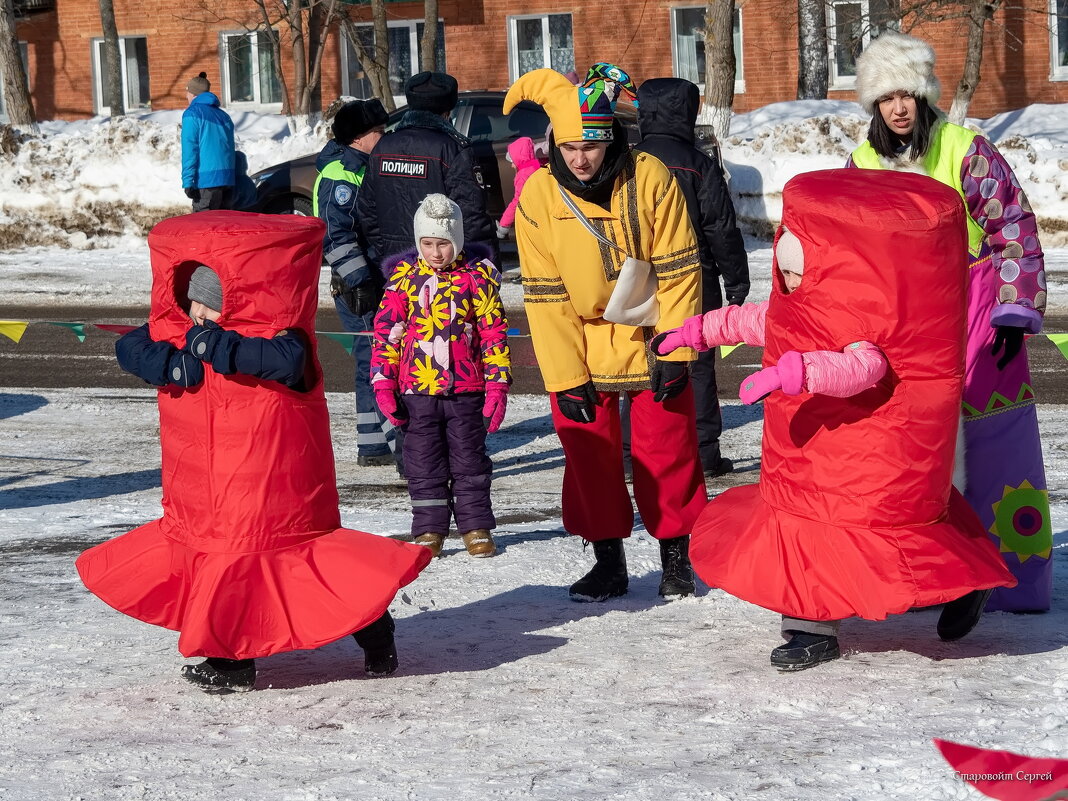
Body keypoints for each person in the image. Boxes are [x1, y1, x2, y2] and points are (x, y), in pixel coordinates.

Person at [654, 169, 1017, 670]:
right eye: (788, 273)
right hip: (803, 453)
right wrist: (693, 333)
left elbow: (861, 367)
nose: (792, 283)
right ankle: (808, 627)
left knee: (883, 528)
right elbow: (750, 319)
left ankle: (958, 588)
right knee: (802, 532)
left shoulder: (859, 316)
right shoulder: (797, 302)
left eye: (801, 272)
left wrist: (794, 372)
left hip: (863, 448)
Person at [75, 212, 431, 693]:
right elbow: (133, 347)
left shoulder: (285, 340)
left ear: (236, 301)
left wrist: (216, 344)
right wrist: (170, 363)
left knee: (261, 559)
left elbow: (281, 361)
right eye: (193, 306)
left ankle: (353, 635)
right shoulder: (185, 333)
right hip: (203, 485)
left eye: (210, 307)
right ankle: (238, 657)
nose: (199, 316)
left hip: (266, 480)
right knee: (223, 558)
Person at [851, 32, 1051, 613]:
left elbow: (1012, 227)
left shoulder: (967, 149)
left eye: (908, 94)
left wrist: (1014, 312)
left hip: (979, 314)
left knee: (999, 446)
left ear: (924, 94)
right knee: (912, 454)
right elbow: (848, 251)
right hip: (905, 327)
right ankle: (926, 578)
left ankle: (1015, 579)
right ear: (873, 103)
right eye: (888, 96)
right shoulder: (862, 164)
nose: (899, 107)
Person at [504, 63, 706, 602]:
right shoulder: (539, 198)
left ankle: (676, 557)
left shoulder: (652, 177)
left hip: (652, 330)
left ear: (611, 136)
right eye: (569, 146)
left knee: (669, 448)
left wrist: (676, 347)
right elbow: (545, 295)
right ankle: (608, 562)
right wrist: (565, 376)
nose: (580, 158)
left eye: (592, 144)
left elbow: (682, 266)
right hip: (583, 338)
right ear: (553, 144)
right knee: (589, 455)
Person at [371, 194, 511, 559]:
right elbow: (386, 335)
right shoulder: (403, 282)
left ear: (458, 242)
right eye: (428, 244)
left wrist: (497, 385)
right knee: (423, 462)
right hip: (416, 390)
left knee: (470, 460)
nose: (436, 252)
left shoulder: (476, 280)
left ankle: (475, 525)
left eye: (444, 244)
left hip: (467, 389)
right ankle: (430, 527)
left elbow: (494, 335)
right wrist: (384, 382)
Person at [633, 77, 750, 479]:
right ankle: (703, 452)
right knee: (698, 362)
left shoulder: (630, 161)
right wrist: (737, 282)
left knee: (638, 360)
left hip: (639, 277)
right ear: (688, 112)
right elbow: (720, 226)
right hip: (695, 277)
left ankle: (636, 452)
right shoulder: (699, 163)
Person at [314, 99, 403, 471]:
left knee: (372, 360)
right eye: (378, 132)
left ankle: (373, 445)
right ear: (357, 138)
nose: (384, 137)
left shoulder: (361, 165)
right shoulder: (342, 174)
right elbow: (335, 236)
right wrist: (360, 280)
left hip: (371, 279)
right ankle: (402, 447)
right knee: (381, 361)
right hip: (359, 285)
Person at [358, 71, 497, 263]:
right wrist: (485, 265)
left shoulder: (383, 146)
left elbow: (367, 212)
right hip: (442, 268)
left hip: (397, 266)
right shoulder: (452, 148)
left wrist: (388, 255)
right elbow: (471, 216)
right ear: (447, 112)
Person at [181, 72, 236, 212]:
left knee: (203, 228)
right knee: (223, 228)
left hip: (206, 181)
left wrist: (188, 181)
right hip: (227, 180)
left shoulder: (192, 113)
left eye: (187, 93)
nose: (186, 96)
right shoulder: (224, 116)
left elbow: (190, 149)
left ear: (194, 94)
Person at [495, 136, 541, 240]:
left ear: (519, 158)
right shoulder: (538, 166)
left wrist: (503, 226)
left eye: (513, 161)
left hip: (533, 219)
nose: (512, 166)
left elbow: (517, 202)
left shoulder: (523, 176)